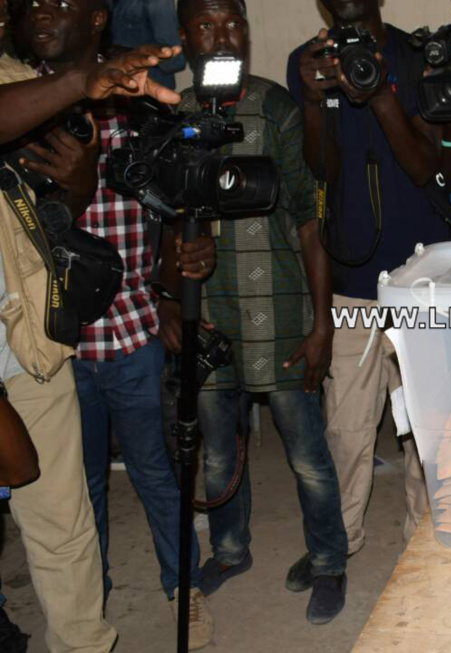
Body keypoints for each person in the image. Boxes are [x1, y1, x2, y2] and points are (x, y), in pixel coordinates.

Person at [24, 0, 215, 647]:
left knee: (157, 472)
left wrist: (166, 290)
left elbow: (175, 205)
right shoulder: (30, 108)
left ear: (99, 18)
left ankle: (180, 589)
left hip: (132, 330)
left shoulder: (140, 109)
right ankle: (89, 598)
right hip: (62, 342)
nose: (47, 13)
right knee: (80, 490)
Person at [160, 0, 350, 625]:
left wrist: (322, 324)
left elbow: (308, 220)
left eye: (235, 23)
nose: (225, 36)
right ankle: (231, 549)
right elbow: (162, 224)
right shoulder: (173, 115)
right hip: (208, 314)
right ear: (185, 37)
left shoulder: (275, 108)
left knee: (307, 455)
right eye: (208, 25)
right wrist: (168, 299)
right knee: (218, 453)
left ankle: (329, 561)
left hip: (284, 312)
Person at [296, 0, 451, 555]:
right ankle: (337, 550)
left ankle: (427, 544)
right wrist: (315, 103)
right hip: (351, 276)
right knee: (345, 431)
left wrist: (381, 92)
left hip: (420, 275)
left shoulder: (417, 56)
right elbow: (320, 171)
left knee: (429, 428)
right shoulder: (310, 60)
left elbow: (432, 167)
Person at [109, 0, 187, 89]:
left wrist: (132, 54)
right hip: (114, 89)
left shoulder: (157, 2)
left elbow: (176, 61)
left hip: (150, 92)